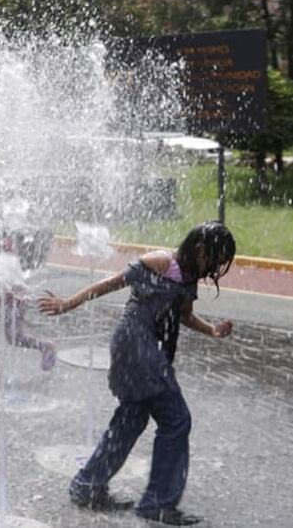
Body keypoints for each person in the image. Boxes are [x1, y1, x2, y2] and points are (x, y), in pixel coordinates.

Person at [38, 222, 236, 526]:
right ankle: (157, 503)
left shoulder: (190, 276)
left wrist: (212, 330)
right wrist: (68, 304)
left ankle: (87, 485)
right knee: (176, 418)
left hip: (152, 352)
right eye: (217, 258)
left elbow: (183, 316)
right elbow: (109, 283)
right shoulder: (160, 262)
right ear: (200, 248)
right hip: (135, 346)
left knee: (131, 419)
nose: (217, 267)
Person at [0, 280, 57, 384]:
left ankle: (46, 346)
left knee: (14, 337)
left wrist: (11, 292)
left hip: (12, 296)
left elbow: (13, 275)